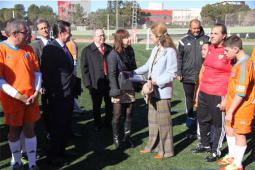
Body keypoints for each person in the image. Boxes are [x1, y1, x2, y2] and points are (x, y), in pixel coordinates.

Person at [0, 19, 41, 170]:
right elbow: (0, 79)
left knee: (30, 129)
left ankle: (32, 164)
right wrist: (18, 96)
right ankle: (16, 162)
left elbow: (37, 73)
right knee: (14, 131)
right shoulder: (2, 50)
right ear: (14, 33)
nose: (29, 34)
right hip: (13, 100)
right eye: (26, 32)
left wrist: (36, 93)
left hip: (31, 99)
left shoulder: (29, 49)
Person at [134, 23, 177, 159]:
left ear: (158, 36)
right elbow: (147, 66)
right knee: (152, 121)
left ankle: (166, 151)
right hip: (152, 91)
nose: (151, 37)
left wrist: (156, 82)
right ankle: (152, 145)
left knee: (164, 123)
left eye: (152, 35)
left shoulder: (170, 51)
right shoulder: (156, 49)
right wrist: (132, 73)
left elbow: (172, 74)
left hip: (163, 92)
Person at [192, 23, 232, 162]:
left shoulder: (228, 52)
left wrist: (226, 98)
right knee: (202, 120)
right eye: (211, 33)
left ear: (224, 36)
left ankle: (216, 151)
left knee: (218, 124)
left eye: (216, 33)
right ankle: (204, 144)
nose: (212, 35)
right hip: (204, 91)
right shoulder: (209, 48)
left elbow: (235, 75)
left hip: (218, 93)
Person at [217, 35, 255, 170]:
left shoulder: (245, 65)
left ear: (235, 49)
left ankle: (238, 165)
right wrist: (226, 101)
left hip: (243, 107)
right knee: (230, 129)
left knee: (240, 134)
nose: (225, 54)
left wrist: (231, 111)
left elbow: (241, 92)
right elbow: (232, 87)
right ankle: (232, 156)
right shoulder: (238, 63)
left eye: (227, 51)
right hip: (233, 105)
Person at [41, 20, 75, 165]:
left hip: (67, 94)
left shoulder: (64, 47)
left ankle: (61, 151)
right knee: (57, 127)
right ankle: (53, 156)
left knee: (64, 126)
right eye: (68, 31)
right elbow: (47, 73)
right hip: (58, 96)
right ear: (61, 33)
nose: (71, 34)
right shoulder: (50, 48)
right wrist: (52, 94)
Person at [177, 19, 209, 136]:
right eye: (194, 28)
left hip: (203, 75)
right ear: (190, 28)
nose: (196, 30)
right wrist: (178, 72)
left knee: (202, 99)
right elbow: (179, 57)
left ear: (200, 27)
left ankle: (202, 120)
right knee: (189, 97)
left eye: (198, 28)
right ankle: (190, 117)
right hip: (187, 75)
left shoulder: (207, 39)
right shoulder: (183, 40)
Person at [107, 29, 137, 149]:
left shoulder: (130, 50)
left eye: (128, 37)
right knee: (117, 115)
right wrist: (115, 90)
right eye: (126, 37)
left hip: (129, 86)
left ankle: (127, 137)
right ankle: (116, 138)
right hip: (119, 88)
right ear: (120, 40)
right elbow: (112, 74)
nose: (129, 39)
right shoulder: (113, 55)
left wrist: (138, 82)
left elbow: (134, 68)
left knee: (129, 113)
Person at [80, 29, 113, 131]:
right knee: (96, 105)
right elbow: (84, 69)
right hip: (95, 84)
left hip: (109, 83)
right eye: (100, 36)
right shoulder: (87, 50)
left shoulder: (109, 48)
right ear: (94, 37)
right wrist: (88, 84)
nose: (102, 37)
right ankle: (97, 123)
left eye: (103, 35)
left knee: (109, 104)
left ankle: (108, 122)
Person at [30, 19, 52, 140]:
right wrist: (40, 85)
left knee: (57, 108)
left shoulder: (54, 42)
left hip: (58, 82)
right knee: (47, 109)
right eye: (42, 28)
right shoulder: (35, 46)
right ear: (38, 31)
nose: (45, 30)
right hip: (44, 84)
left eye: (46, 27)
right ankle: (49, 131)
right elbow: (35, 68)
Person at [66, 38, 84, 114]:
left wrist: (74, 63)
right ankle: (76, 107)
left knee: (71, 90)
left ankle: (76, 108)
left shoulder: (70, 42)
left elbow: (74, 53)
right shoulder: (72, 42)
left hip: (71, 65)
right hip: (72, 64)